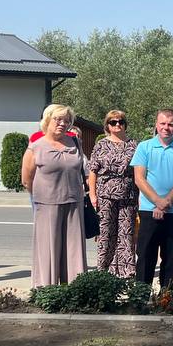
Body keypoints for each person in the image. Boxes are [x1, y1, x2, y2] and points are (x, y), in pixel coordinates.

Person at [22, 104, 88, 286]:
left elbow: (81, 170)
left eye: (66, 120)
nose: (62, 123)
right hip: (47, 205)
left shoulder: (75, 143)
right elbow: (27, 180)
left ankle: (74, 289)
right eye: (58, 119)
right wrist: (44, 195)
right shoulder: (36, 147)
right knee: (47, 250)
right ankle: (46, 290)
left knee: (73, 250)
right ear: (47, 120)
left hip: (74, 203)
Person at [131, 108, 173, 289]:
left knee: (170, 256)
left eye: (170, 124)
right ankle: (141, 294)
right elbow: (139, 179)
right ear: (156, 124)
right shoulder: (144, 147)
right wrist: (157, 202)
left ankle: (166, 296)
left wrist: (165, 203)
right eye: (163, 123)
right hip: (148, 209)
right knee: (145, 254)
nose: (166, 127)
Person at [86, 109, 139, 276]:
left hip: (128, 195)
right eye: (113, 122)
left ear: (125, 124)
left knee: (126, 233)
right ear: (107, 125)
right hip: (105, 195)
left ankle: (126, 270)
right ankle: (104, 270)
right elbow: (93, 171)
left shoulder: (134, 145)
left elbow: (140, 171)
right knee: (106, 233)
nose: (117, 125)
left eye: (121, 122)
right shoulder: (101, 145)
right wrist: (93, 195)